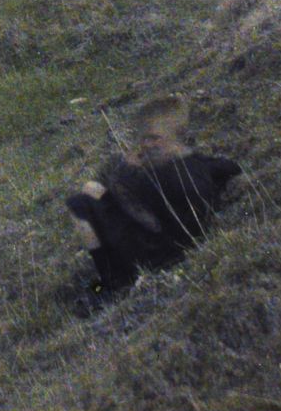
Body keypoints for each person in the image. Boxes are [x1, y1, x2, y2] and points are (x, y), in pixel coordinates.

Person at [64, 94, 241, 301]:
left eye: (154, 138)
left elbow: (141, 210)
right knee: (92, 189)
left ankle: (111, 281)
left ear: (173, 138)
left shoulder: (165, 175)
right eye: (145, 139)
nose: (146, 145)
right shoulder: (191, 162)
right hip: (169, 237)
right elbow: (229, 167)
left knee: (79, 205)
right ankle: (108, 276)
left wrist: (126, 170)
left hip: (163, 251)